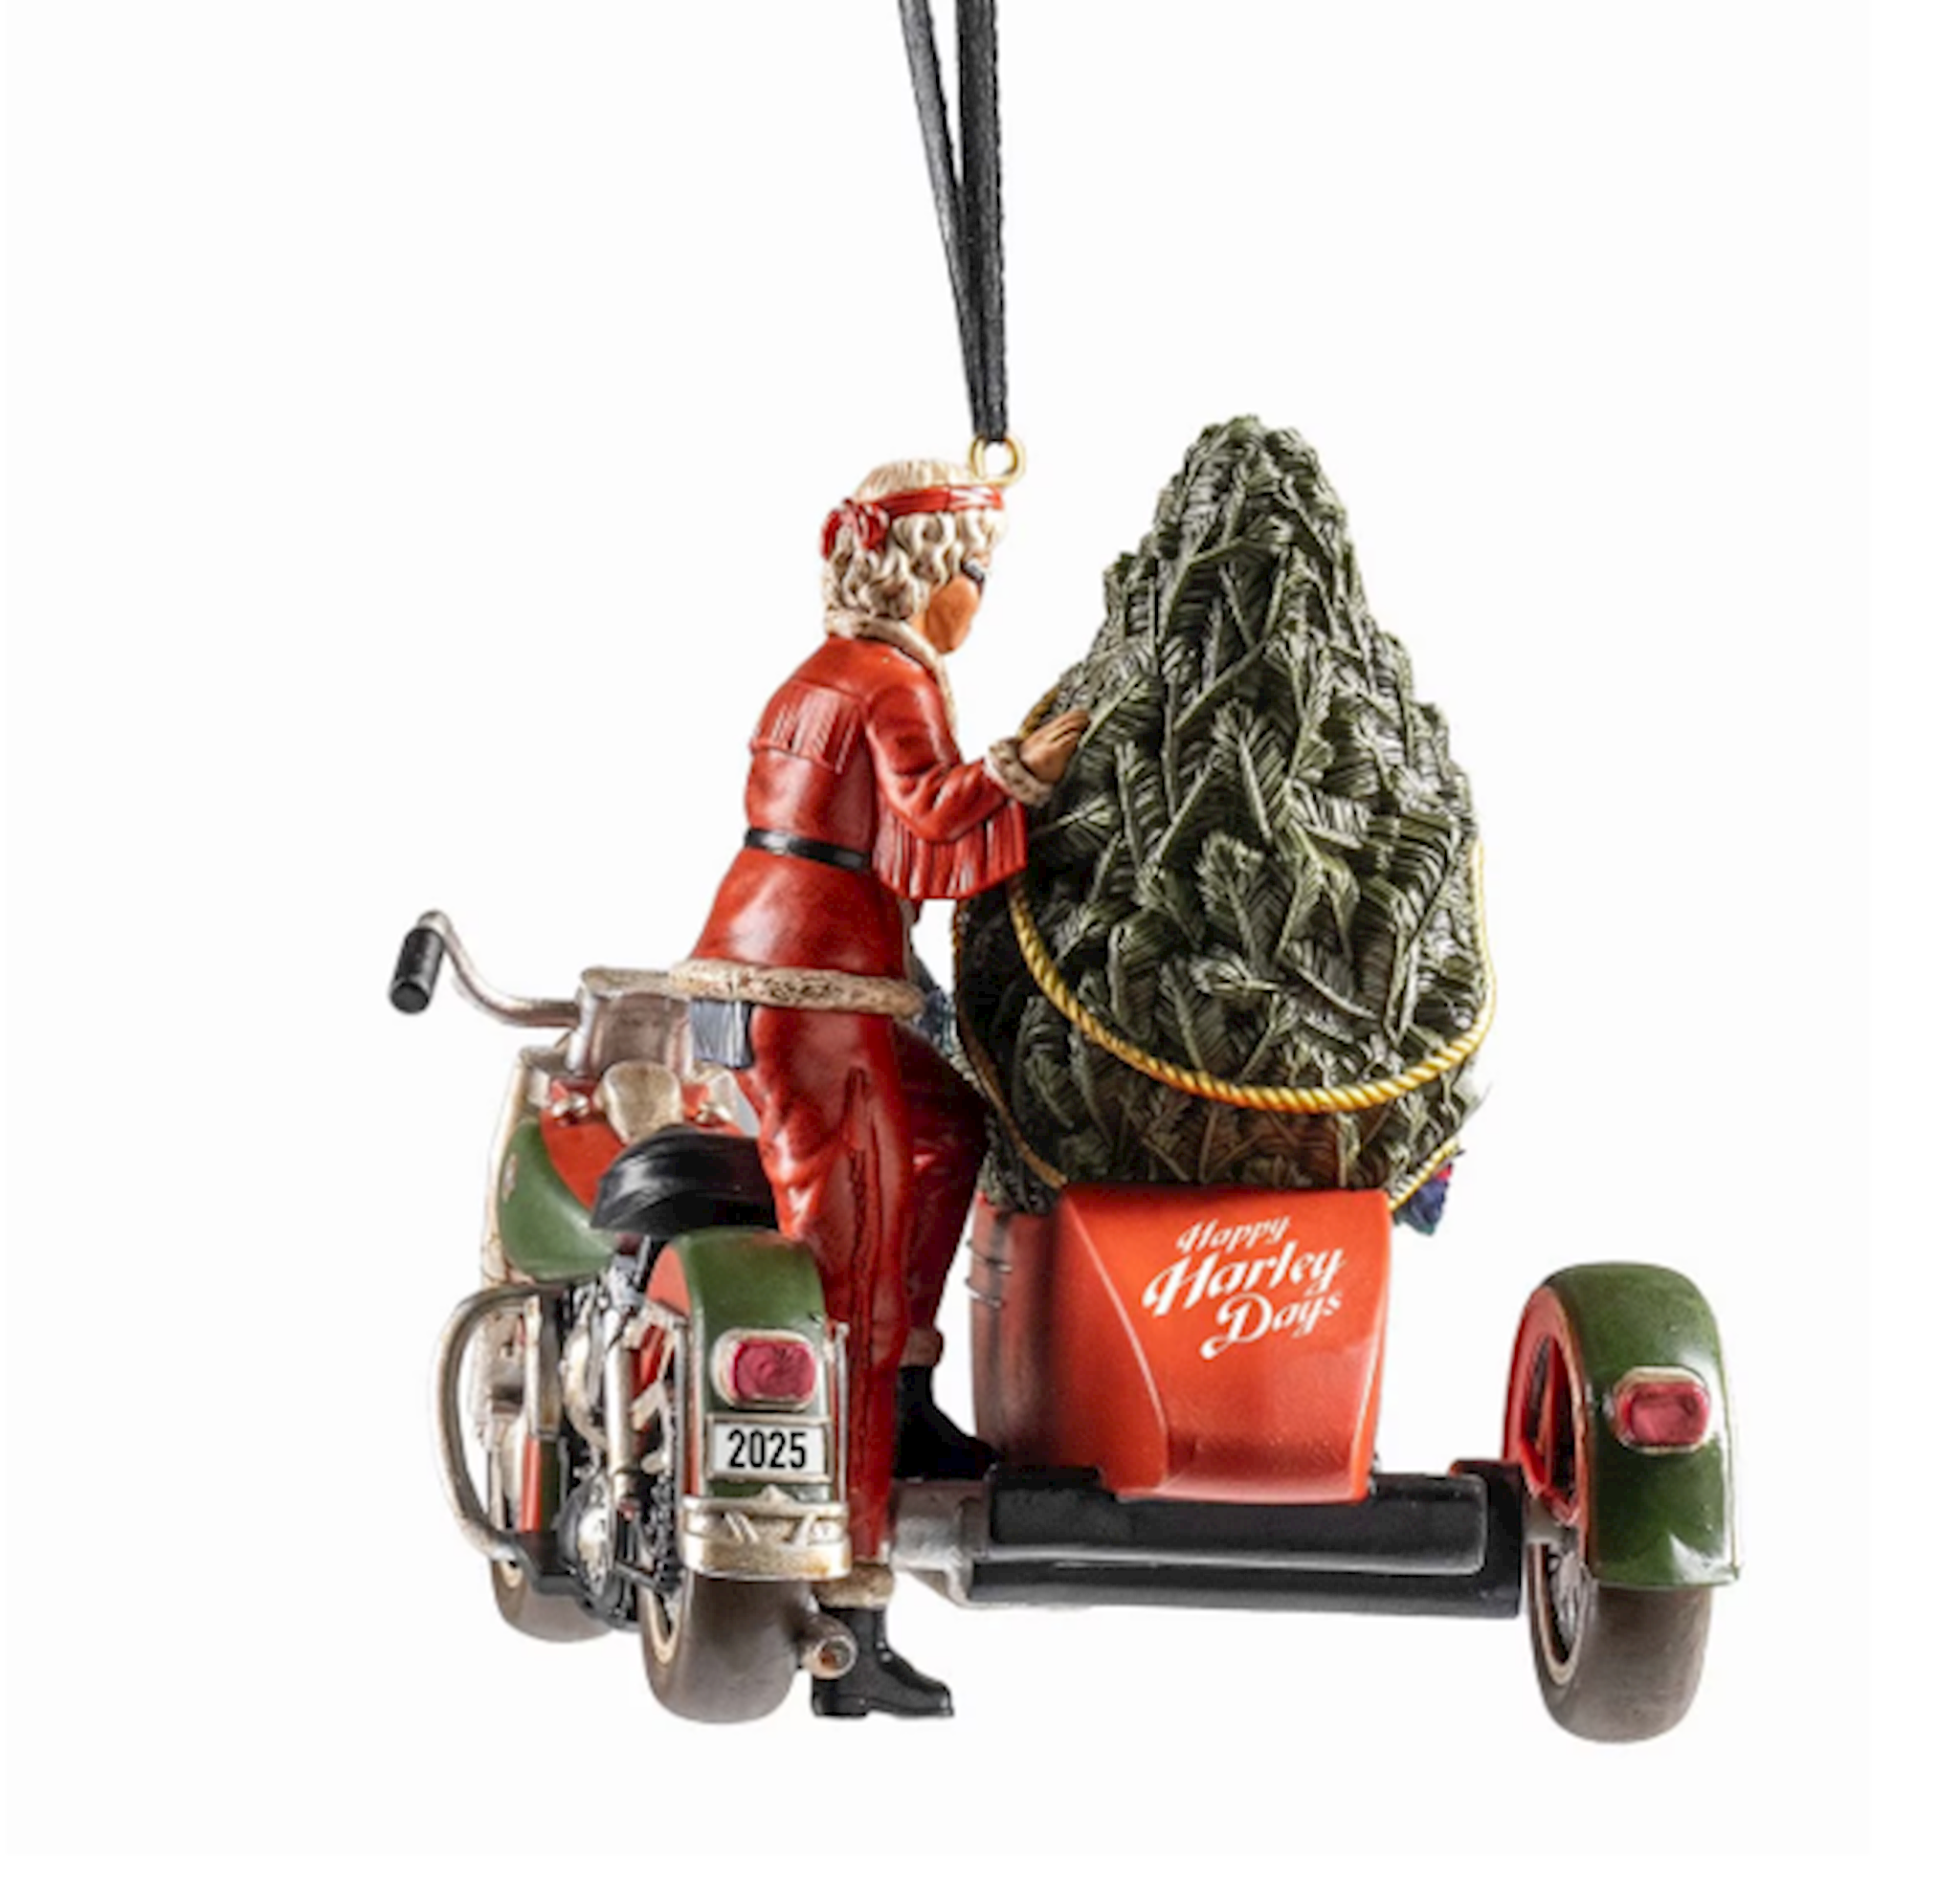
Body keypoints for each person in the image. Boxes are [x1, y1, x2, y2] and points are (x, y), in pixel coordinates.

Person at [671, 458, 1085, 1717]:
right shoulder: (894, 682)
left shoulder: (823, 674)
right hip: (817, 987)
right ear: (925, 581)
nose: (977, 602)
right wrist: (1024, 768)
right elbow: (932, 816)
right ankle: (852, 1613)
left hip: (772, 962)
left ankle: (901, 1398)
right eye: (974, 577)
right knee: (845, 1266)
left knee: (946, 1122)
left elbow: (886, 834)